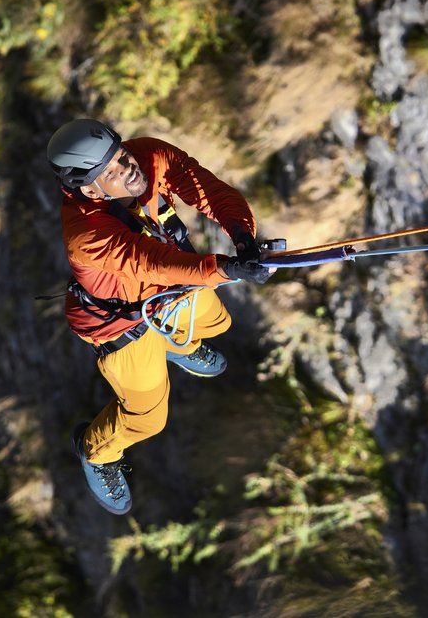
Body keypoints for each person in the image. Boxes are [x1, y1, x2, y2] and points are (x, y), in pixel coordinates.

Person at [46, 118, 274, 515]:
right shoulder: (86, 235)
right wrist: (225, 270)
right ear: (90, 190)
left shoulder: (150, 156)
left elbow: (208, 190)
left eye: (121, 154)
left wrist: (242, 236)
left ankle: (175, 344)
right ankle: (96, 452)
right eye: (112, 171)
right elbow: (154, 263)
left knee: (217, 321)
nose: (127, 167)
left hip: (167, 292)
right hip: (121, 327)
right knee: (148, 418)